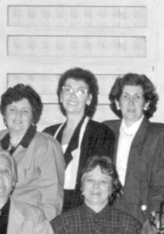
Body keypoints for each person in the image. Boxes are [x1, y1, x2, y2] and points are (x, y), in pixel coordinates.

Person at [102, 73, 164, 222]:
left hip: (141, 216)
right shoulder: (106, 130)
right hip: (108, 213)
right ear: (118, 103)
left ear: (146, 104)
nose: (131, 103)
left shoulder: (161, 135)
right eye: (125, 96)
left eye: (137, 97)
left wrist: (150, 220)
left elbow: (163, 187)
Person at [43, 69, 116, 213]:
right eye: (68, 90)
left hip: (83, 208)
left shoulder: (101, 133)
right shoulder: (48, 134)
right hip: (50, 207)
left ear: (89, 99)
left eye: (80, 91)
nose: (73, 96)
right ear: (60, 96)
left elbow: (100, 178)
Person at [0, 84, 66, 220]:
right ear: (4, 114)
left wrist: (37, 227)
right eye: (12, 109)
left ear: (33, 117)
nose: (18, 115)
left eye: (25, 111)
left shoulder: (45, 145)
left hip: (29, 221)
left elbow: (52, 200)